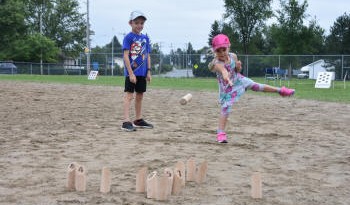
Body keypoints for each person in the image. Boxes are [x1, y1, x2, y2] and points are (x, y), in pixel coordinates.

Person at [208, 34, 295, 143]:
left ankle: (281, 90)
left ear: (228, 46)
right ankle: (220, 133)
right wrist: (227, 78)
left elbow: (237, 71)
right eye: (218, 51)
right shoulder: (216, 63)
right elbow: (224, 72)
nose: (221, 53)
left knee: (256, 86)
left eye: (223, 49)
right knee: (226, 108)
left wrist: (238, 67)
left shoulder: (233, 56)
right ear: (214, 51)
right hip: (227, 87)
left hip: (238, 80)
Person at [121, 10, 153, 131]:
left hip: (142, 73)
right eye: (137, 23)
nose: (139, 25)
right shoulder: (128, 37)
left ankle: (138, 120)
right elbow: (125, 56)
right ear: (131, 23)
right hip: (132, 73)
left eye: (141, 23)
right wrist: (130, 73)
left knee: (140, 95)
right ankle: (126, 121)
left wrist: (149, 71)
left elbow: (148, 55)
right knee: (129, 96)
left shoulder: (145, 38)